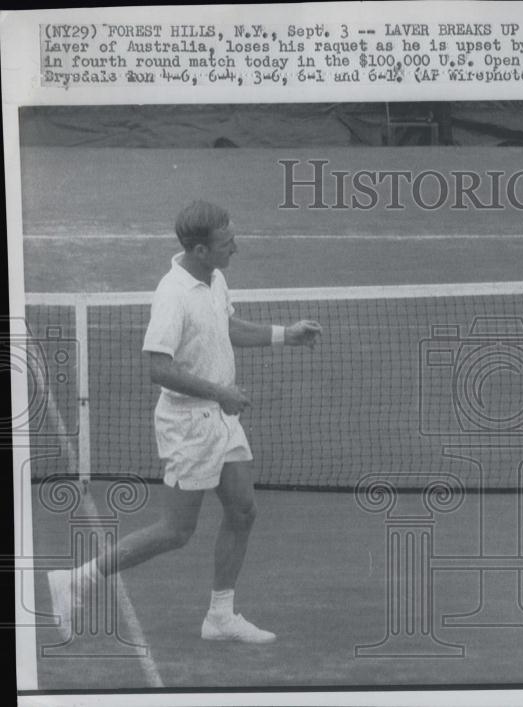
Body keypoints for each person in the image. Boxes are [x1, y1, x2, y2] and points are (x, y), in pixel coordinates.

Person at [47, 201, 322, 644]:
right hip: (188, 425)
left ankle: (220, 616)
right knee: (176, 531)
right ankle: (78, 579)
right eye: (227, 242)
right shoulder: (172, 295)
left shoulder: (215, 278)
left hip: (221, 418)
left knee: (243, 510)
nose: (237, 246)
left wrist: (284, 335)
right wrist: (221, 392)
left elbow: (226, 328)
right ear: (199, 249)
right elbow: (158, 368)